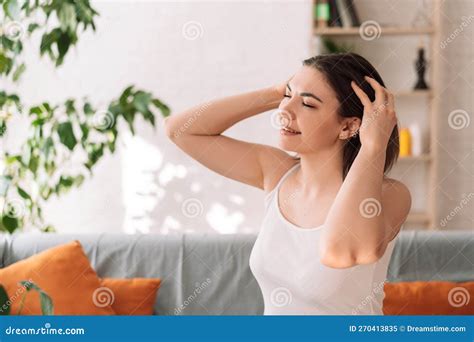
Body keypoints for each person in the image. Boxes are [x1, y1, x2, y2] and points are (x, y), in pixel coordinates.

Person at [164, 52, 412, 315]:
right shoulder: (275, 172)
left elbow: (338, 252)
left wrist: (374, 146)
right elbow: (180, 130)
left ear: (349, 126)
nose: (285, 110)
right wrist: (274, 94)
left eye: (307, 104)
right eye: (288, 97)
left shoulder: (389, 195)